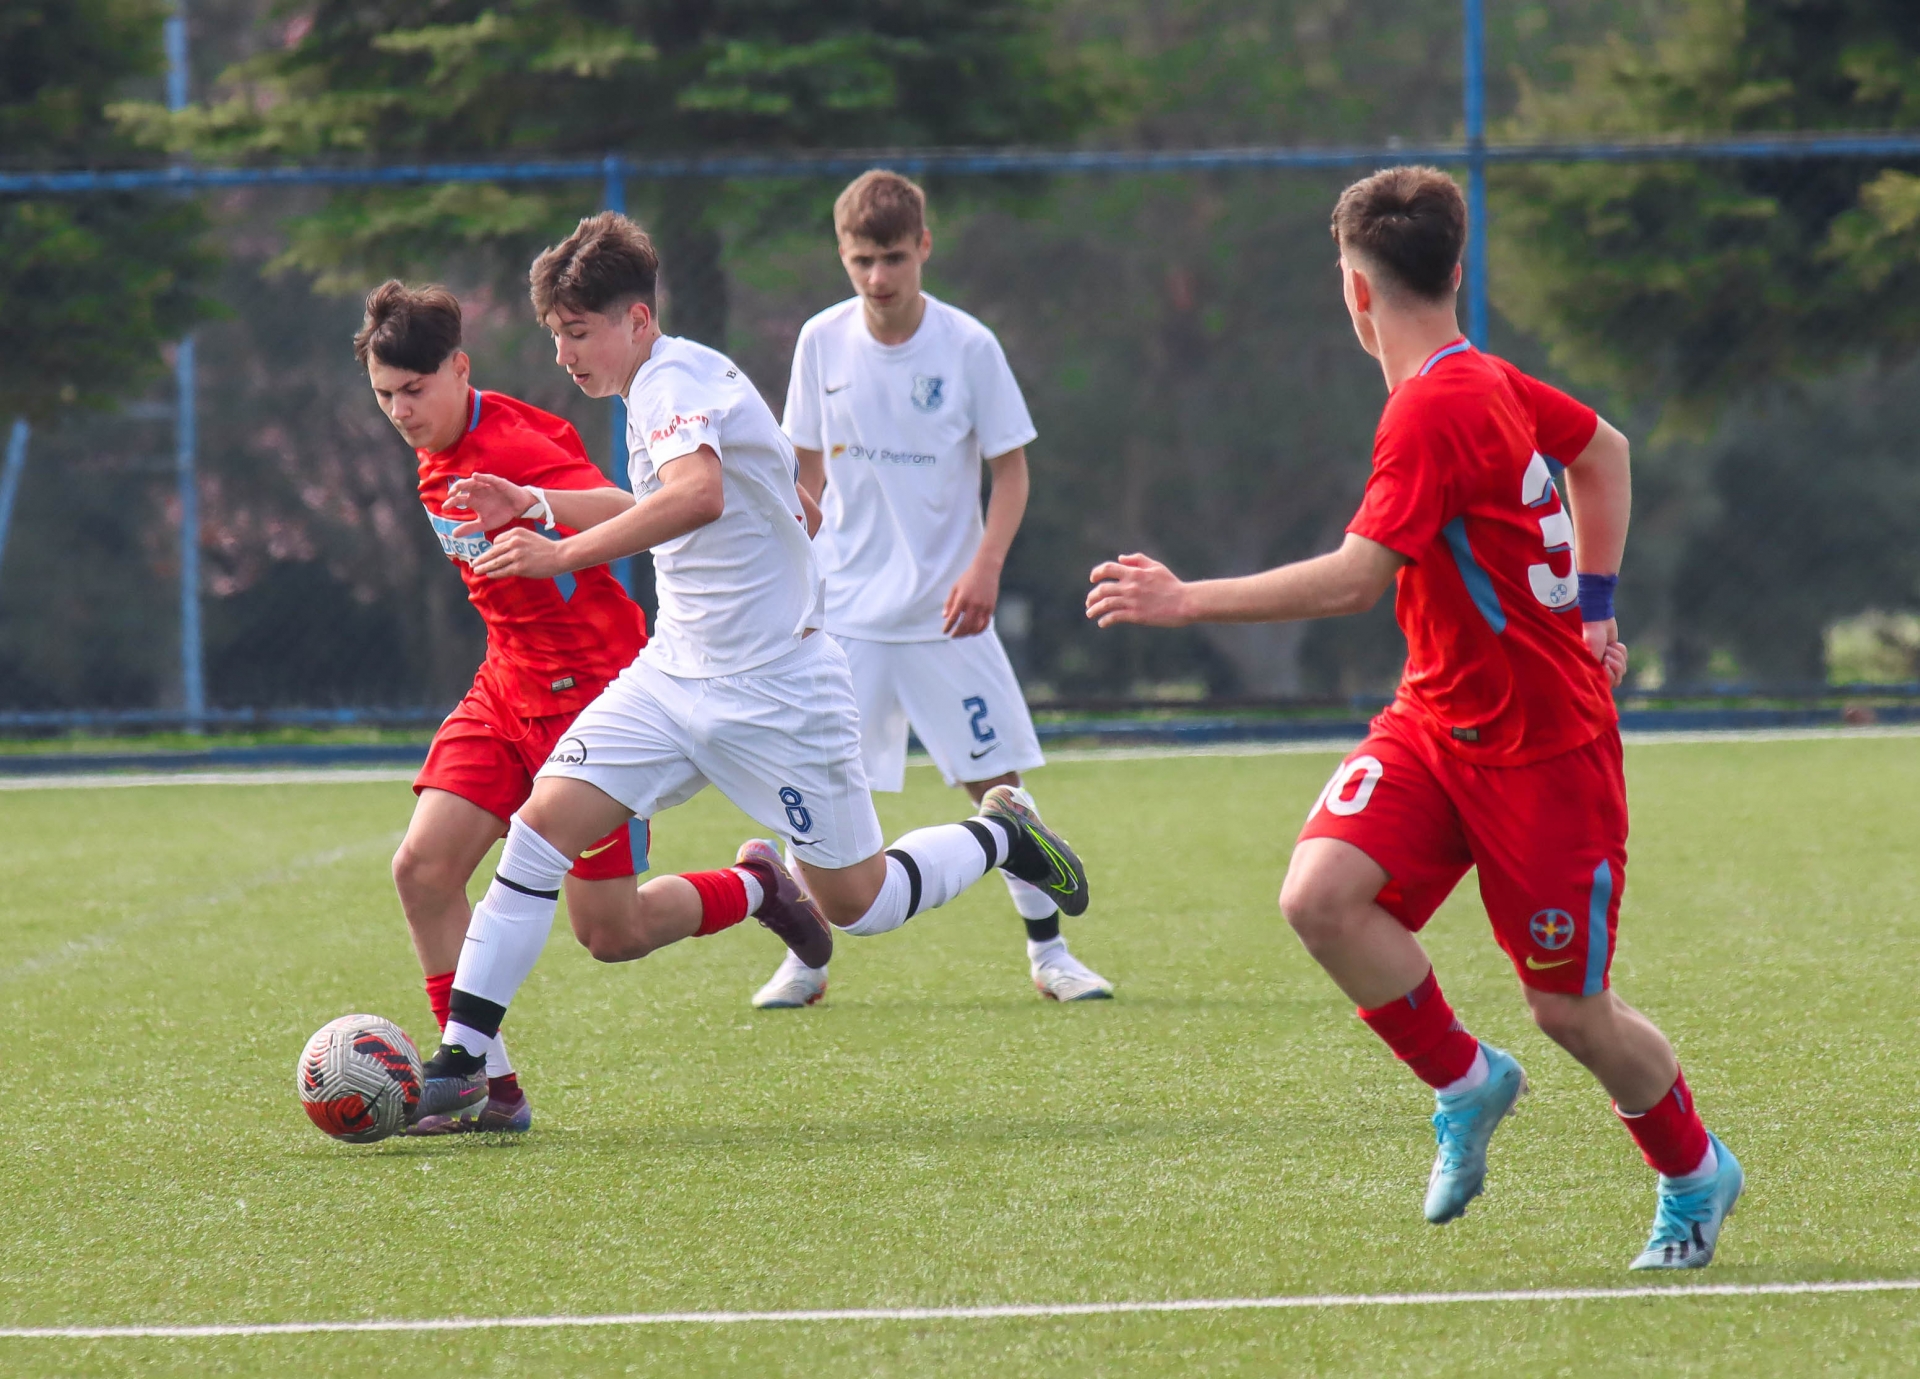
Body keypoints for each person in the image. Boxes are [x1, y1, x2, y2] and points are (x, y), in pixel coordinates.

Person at [1084, 166, 1741, 1270]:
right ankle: (1466, 1080)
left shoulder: (1434, 407)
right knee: (1320, 896)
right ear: (1455, 269)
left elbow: (1356, 577)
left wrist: (1185, 599)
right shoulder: (1478, 377)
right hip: (1437, 721)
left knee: (1570, 1013)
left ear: (1354, 289)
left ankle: (1693, 1170)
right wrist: (1595, 605)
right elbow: (1606, 452)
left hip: (1545, 754)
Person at [411, 212, 1093, 1120]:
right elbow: (694, 499)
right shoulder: (663, 383)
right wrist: (536, 501)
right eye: (555, 335)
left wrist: (558, 553)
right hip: (671, 677)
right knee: (538, 830)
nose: (564, 354)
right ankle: (465, 1059)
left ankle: (1002, 833)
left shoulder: (671, 382)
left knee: (861, 902)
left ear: (637, 319)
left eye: (578, 332)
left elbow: (698, 495)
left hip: (779, 692)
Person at [750, 170, 1111, 1010]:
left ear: (924, 248)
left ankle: (1052, 954)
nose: (877, 277)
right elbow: (805, 474)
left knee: (999, 787)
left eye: (893, 258)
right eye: (861, 260)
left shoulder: (969, 346)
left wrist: (985, 566)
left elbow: (1010, 471)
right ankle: (806, 961)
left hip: (949, 615)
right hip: (845, 615)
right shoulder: (820, 340)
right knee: (809, 783)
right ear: (843, 255)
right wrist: (792, 578)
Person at [358, 280, 648, 1133]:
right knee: (422, 870)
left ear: (460, 369)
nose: (400, 411)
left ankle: (754, 885)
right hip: (506, 685)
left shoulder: (515, 442)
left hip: (592, 695)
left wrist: (539, 510)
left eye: (415, 390)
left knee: (611, 932)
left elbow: (631, 508)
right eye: (384, 394)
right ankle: (488, 1085)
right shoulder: (431, 448)